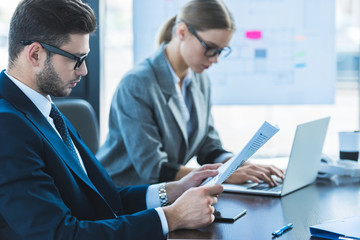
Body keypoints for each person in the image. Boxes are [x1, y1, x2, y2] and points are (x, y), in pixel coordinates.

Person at [0, 0, 224, 239]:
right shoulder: (7, 126)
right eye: (75, 58)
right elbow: (59, 234)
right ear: (35, 54)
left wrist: (173, 191)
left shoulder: (42, 108)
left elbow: (103, 199)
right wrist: (172, 217)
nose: (84, 70)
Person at [97, 0, 284, 187]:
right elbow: (154, 169)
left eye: (220, 51)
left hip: (165, 193)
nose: (215, 59)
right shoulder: (137, 84)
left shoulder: (199, 79)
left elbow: (208, 147)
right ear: (182, 32)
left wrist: (241, 166)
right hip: (121, 197)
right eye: (210, 48)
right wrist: (223, 173)